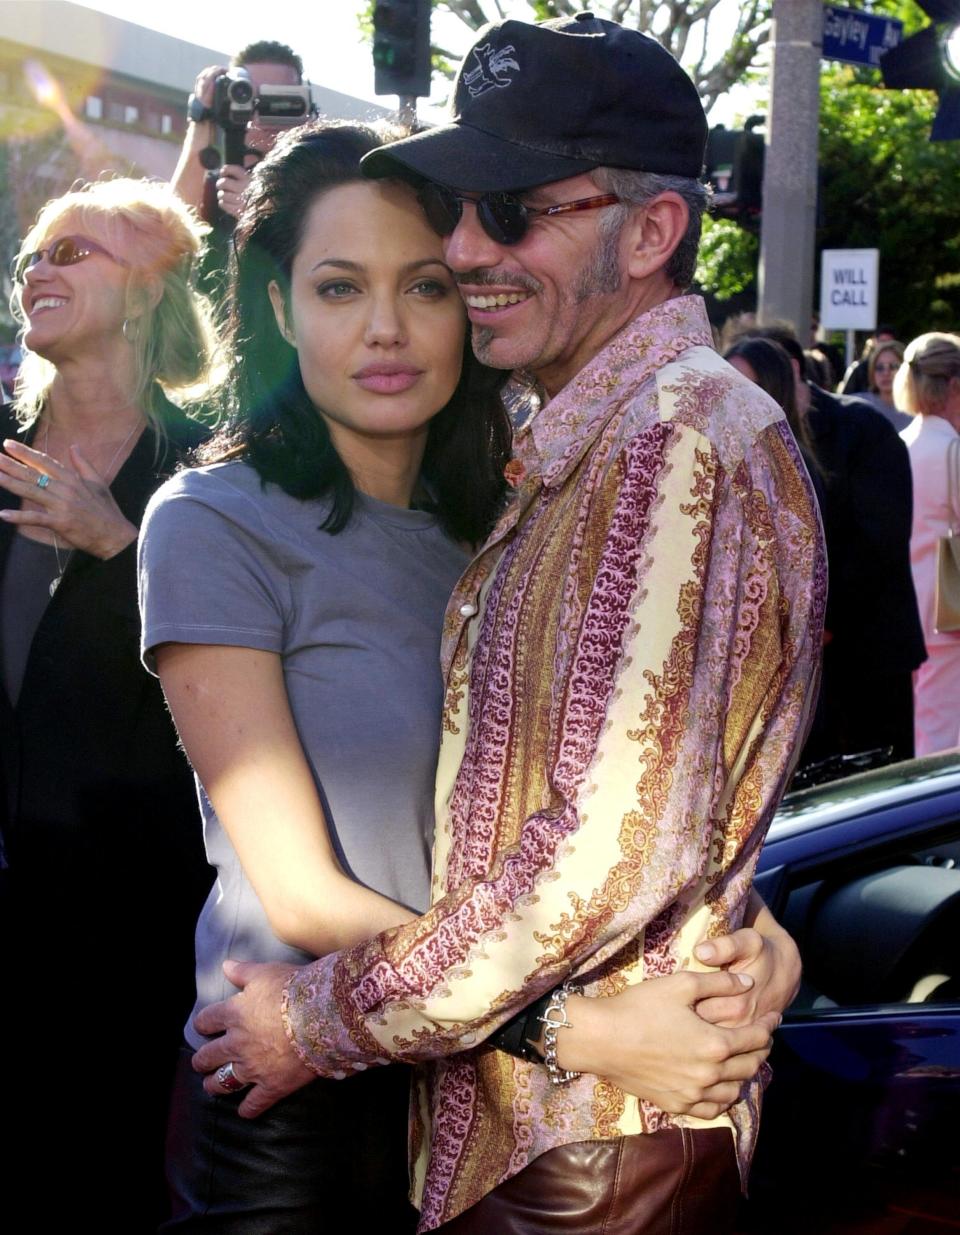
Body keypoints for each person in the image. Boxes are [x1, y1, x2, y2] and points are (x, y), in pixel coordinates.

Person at [188, 17, 823, 1234]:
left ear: (651, 232)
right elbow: (649, 808)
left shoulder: (670, 441)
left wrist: (313, 1024)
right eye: (459, 210)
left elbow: (593, 853)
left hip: (584, 1152)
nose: (469, 246)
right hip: (517, 1129)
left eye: (515, 211)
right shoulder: (563, 460)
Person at [0, 177, 218, 1230]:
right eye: (34, 255)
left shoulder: (208, 471)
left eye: (73, 251)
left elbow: (243, 670)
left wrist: (121, 546)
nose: (39, 268)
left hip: (133, 931)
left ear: (145, 292)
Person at [736, 323, 925, 770]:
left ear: (792, 372)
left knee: (875, 795)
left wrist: (825, 620)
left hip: (866, 653)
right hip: (802, 658)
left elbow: (878, 543)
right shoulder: (750, 437)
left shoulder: (861, 428)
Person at [171, 39, 308, 295]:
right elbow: (167, 234)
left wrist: (262, 213)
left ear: (304, 103)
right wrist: (202, 117)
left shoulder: (324, 183)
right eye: (248, 96)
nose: (262, 111)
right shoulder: (214, 186)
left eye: (278, 97)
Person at [896, 333, 960, 755]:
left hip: (907, 603)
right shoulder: (952, 447)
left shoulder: (901, 443)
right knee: (942, 737)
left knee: (922, 724)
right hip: (948, 610)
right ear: (954, 386)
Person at [860, 338, 911, 431]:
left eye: (894, 366)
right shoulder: (859, 406)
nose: (886, 373)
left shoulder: (917, 410)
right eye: (879, 367)